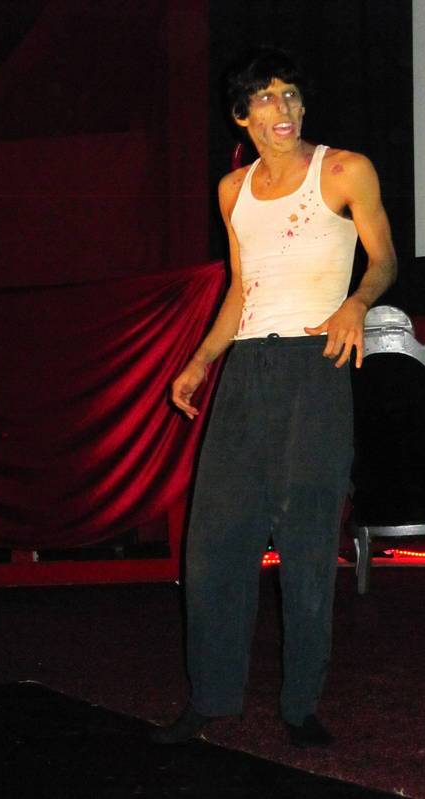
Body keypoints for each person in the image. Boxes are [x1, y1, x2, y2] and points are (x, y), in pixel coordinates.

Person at [152, 47, 397, 748]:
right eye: (264, 97)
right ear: (242, 114)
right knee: (214, 541)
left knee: (306, 540)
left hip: (313, 366)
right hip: (246, 370)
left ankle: (300, 704)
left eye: (290, 95)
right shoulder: (232, 190)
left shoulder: (344, 170)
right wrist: (201, 360)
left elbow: (383, 259)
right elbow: (241, 288)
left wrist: (357, 304)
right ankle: (211, 697)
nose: (282, 108)